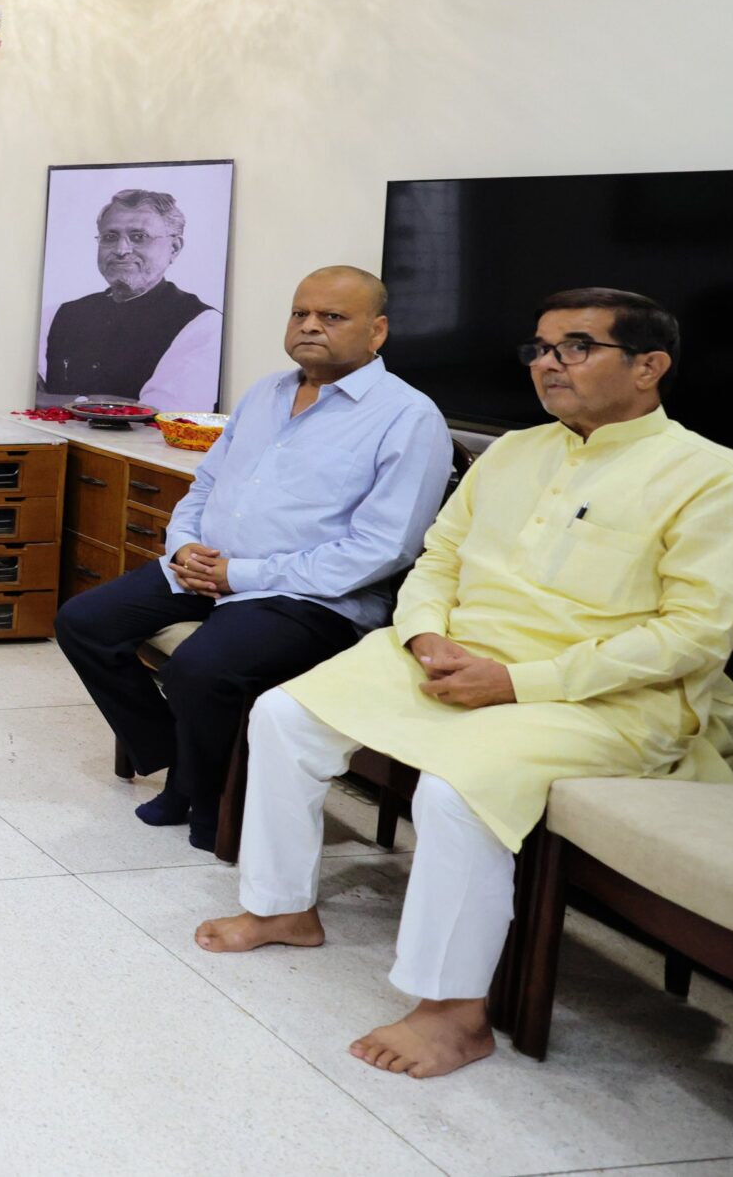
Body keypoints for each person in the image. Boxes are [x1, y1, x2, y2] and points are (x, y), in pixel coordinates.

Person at [197, 288, 733, 1079]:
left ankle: (453, 1012)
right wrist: (422, 637)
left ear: (650, 366)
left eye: (575, 348)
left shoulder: (712, 476)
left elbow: (693, 636)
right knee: (284, 713)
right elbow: (437, 559)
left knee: (457, 789)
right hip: (449, 654)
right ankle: (283, 908)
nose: (548, 365)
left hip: (603, 695)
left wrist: (518, 680)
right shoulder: (517, 449)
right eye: (541, 349)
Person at [54, 268, 450, 849]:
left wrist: (240, 574)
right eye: (300, 313)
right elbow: (207, 482)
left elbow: (383, 549)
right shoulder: (266, 392)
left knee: (199, 668)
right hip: (208, 568)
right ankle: (180, 762)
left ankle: (209, 796)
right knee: (83, 622)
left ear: (378, 331)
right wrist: (184, 545)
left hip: (307, 597)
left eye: (333, 317)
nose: (310, 326)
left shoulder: (409, 418)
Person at [39, 189, 222, 410]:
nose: (121, 250)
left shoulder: (202, 325)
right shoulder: (57, 315)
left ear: (174, 248)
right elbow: (23, 397)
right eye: (110, 237)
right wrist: (94, 403)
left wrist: (58, 403)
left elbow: (162, 417)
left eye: (138, 237)